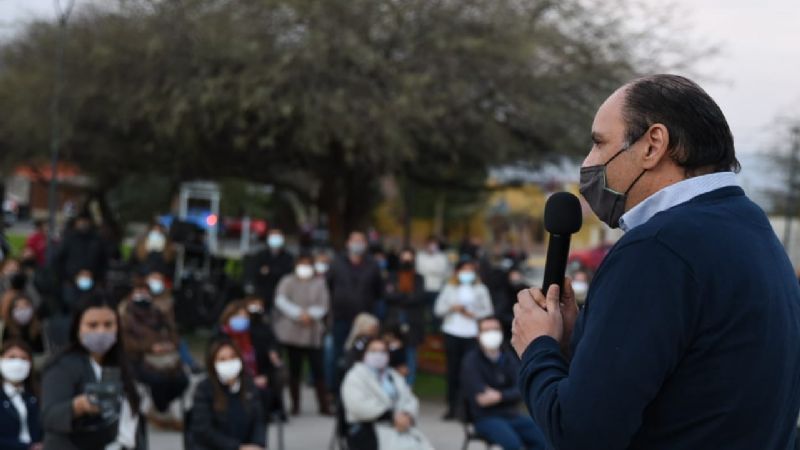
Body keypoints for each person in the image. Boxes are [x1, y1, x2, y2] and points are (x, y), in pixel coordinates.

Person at [511, 74, 800, 449]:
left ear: (653, 145)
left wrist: (537, 347)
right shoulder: (751, 228)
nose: (588, 162)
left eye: (599, 143)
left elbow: (580, 433)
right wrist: (580, 344)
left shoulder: (658, 248)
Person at [41, 293, 142, 450]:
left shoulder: (122, 365)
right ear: (78, 328)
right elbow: (49, 417)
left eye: (108, 324)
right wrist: (79, 406)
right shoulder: (63, 367)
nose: (101, 331)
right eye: (92, 325)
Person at [461, 317, 545, 450]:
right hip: (485, 418)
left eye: (495, 329)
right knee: (513, 445)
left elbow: (522, 389)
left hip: (512, 415)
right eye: (486, 330)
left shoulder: (508, 358)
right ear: (478, 336)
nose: (491, 334)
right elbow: (482, 400)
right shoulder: (471, 361)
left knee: (544, 440)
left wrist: (499, 396)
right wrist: (509, 394)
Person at [340, 337, 433, 450]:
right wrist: (392, 416)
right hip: (369, 429)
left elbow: (410, 399)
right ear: (364, 354)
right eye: (373, 351)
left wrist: (407, 415)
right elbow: (358, 406)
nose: (378, 355)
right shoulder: (356, 376)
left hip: (399, 426)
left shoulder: (393, 375)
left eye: (382, 351)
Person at [119, 282, 187, 428]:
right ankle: (161, 410)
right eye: (139, 291)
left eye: (145, 291)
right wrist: (150, 348)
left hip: (165, 359)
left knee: (182, 380)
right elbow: (126, 344)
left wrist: (169, 344)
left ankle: (160, 408)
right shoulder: (126, 317)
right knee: (158, 381)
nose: (142, 295)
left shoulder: (159, 314)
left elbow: (174, 333)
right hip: (139, 360)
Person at [434, 260, 493, 420]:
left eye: (470, 270)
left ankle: (468, 407)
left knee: (470, 371)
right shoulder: (450, 287)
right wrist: (452, 308)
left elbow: (488, 310)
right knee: (452, 371)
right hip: (452, 332)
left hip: (471, 333)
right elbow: (438, 309)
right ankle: (452, 406)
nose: (467, 273)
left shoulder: (481, 289)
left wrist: (474, 314)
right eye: (464, 270)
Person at [273, 254, 331, 415]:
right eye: (302, 264)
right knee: (294, 370)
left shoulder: (319, 283)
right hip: (292, 332)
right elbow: (281, 300)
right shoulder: (287, 281)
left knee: (318, 370)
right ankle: (295, 405)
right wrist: (299, 314)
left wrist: (310, 315)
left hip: (313, 334)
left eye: (308, 264)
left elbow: (324, 304)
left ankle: (324, 405)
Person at [326, 231, 384, 390]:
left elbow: (378, 291)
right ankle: (336, 391)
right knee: (338, 355)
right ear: (348, 243)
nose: (357, 244)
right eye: (354, 240)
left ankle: (359, 390)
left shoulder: (372, 265)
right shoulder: (337, 263)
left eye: (361, 240)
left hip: (364, 320)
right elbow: (329, 286)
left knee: (361, 356)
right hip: (341, 316)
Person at [190, 339, 265, 450]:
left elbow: (258, 421)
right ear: (213, 364)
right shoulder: (204, 389)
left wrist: (257, 445)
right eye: (222, 359)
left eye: (233, 357)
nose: (229, 362)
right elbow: (204, 431)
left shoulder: (249, 385)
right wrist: (238, 447)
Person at [218, 301, 282, 422]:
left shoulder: (253, 335)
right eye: (238, 316)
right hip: (234, 378)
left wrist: (264, 376)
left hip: (254, 377)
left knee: (264, 391)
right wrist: (248, 380)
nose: (242, 319)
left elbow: (263, 359)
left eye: (245, 316)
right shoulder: (221, 337)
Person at [384, 248, 426, 384]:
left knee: (410, 354)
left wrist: (400, 296)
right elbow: (388, 296)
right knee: (392, 351)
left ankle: (408, 385)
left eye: (409, 259)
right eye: (404, 258)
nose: (406, 262)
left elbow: (418, 297)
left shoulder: (418, 278)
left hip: (412, 321)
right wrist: (405, 295)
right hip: (394, 319)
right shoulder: (392, 276)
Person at [52, 213, 108, 312]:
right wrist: (69, 277)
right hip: (71, 283)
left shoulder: (97, 240)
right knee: (71, 308)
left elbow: (103, 261)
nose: (83, 223)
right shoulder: (68, 239)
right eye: (81, 221)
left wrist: (96, 276)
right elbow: (58, 261)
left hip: (93, 283)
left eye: (85, 221)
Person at [0, 340, 43, 450]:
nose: (17, 363)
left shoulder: (36, 396)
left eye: (23, 359)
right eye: (12, 357)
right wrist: (27, 447)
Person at [244, 229, 294, 312]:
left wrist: (270, 271)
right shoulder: (259, 255)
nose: (275, 239)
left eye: (278, 237)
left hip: (280, 293)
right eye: (273, 236)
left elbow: (287, 273)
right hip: (261, 292)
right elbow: (252, 272)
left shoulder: (288, 257)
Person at [415, 236, 450, 328]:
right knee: (422, 312)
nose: (432, 246)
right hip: (423, 288)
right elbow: (419, 270)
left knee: (435, 312)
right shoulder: (420, 256)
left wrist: (429, 270)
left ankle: (435, 330)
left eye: (434, 244)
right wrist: (433, 270)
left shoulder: (442, 257)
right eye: (430, 244)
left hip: (436, 288)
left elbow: (443, 270)